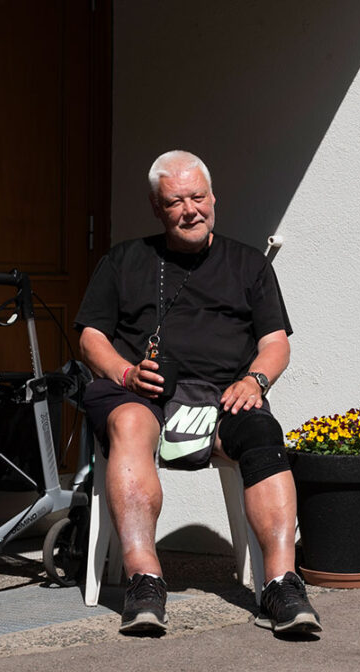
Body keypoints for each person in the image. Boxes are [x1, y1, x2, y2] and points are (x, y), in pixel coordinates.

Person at [73, 150, 320, 636]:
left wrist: (256, 381)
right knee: (129, 422)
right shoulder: (124, 260)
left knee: (262, 432)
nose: (190, 209)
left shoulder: (249, 264)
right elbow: (90, 338)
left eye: (198, 197)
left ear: (213, 199)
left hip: (224, 397)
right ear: (156, 207)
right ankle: (144, 579)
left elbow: (274, 343)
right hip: (140, 394)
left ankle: (281, 585)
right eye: (176, 201)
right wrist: (125, 374)